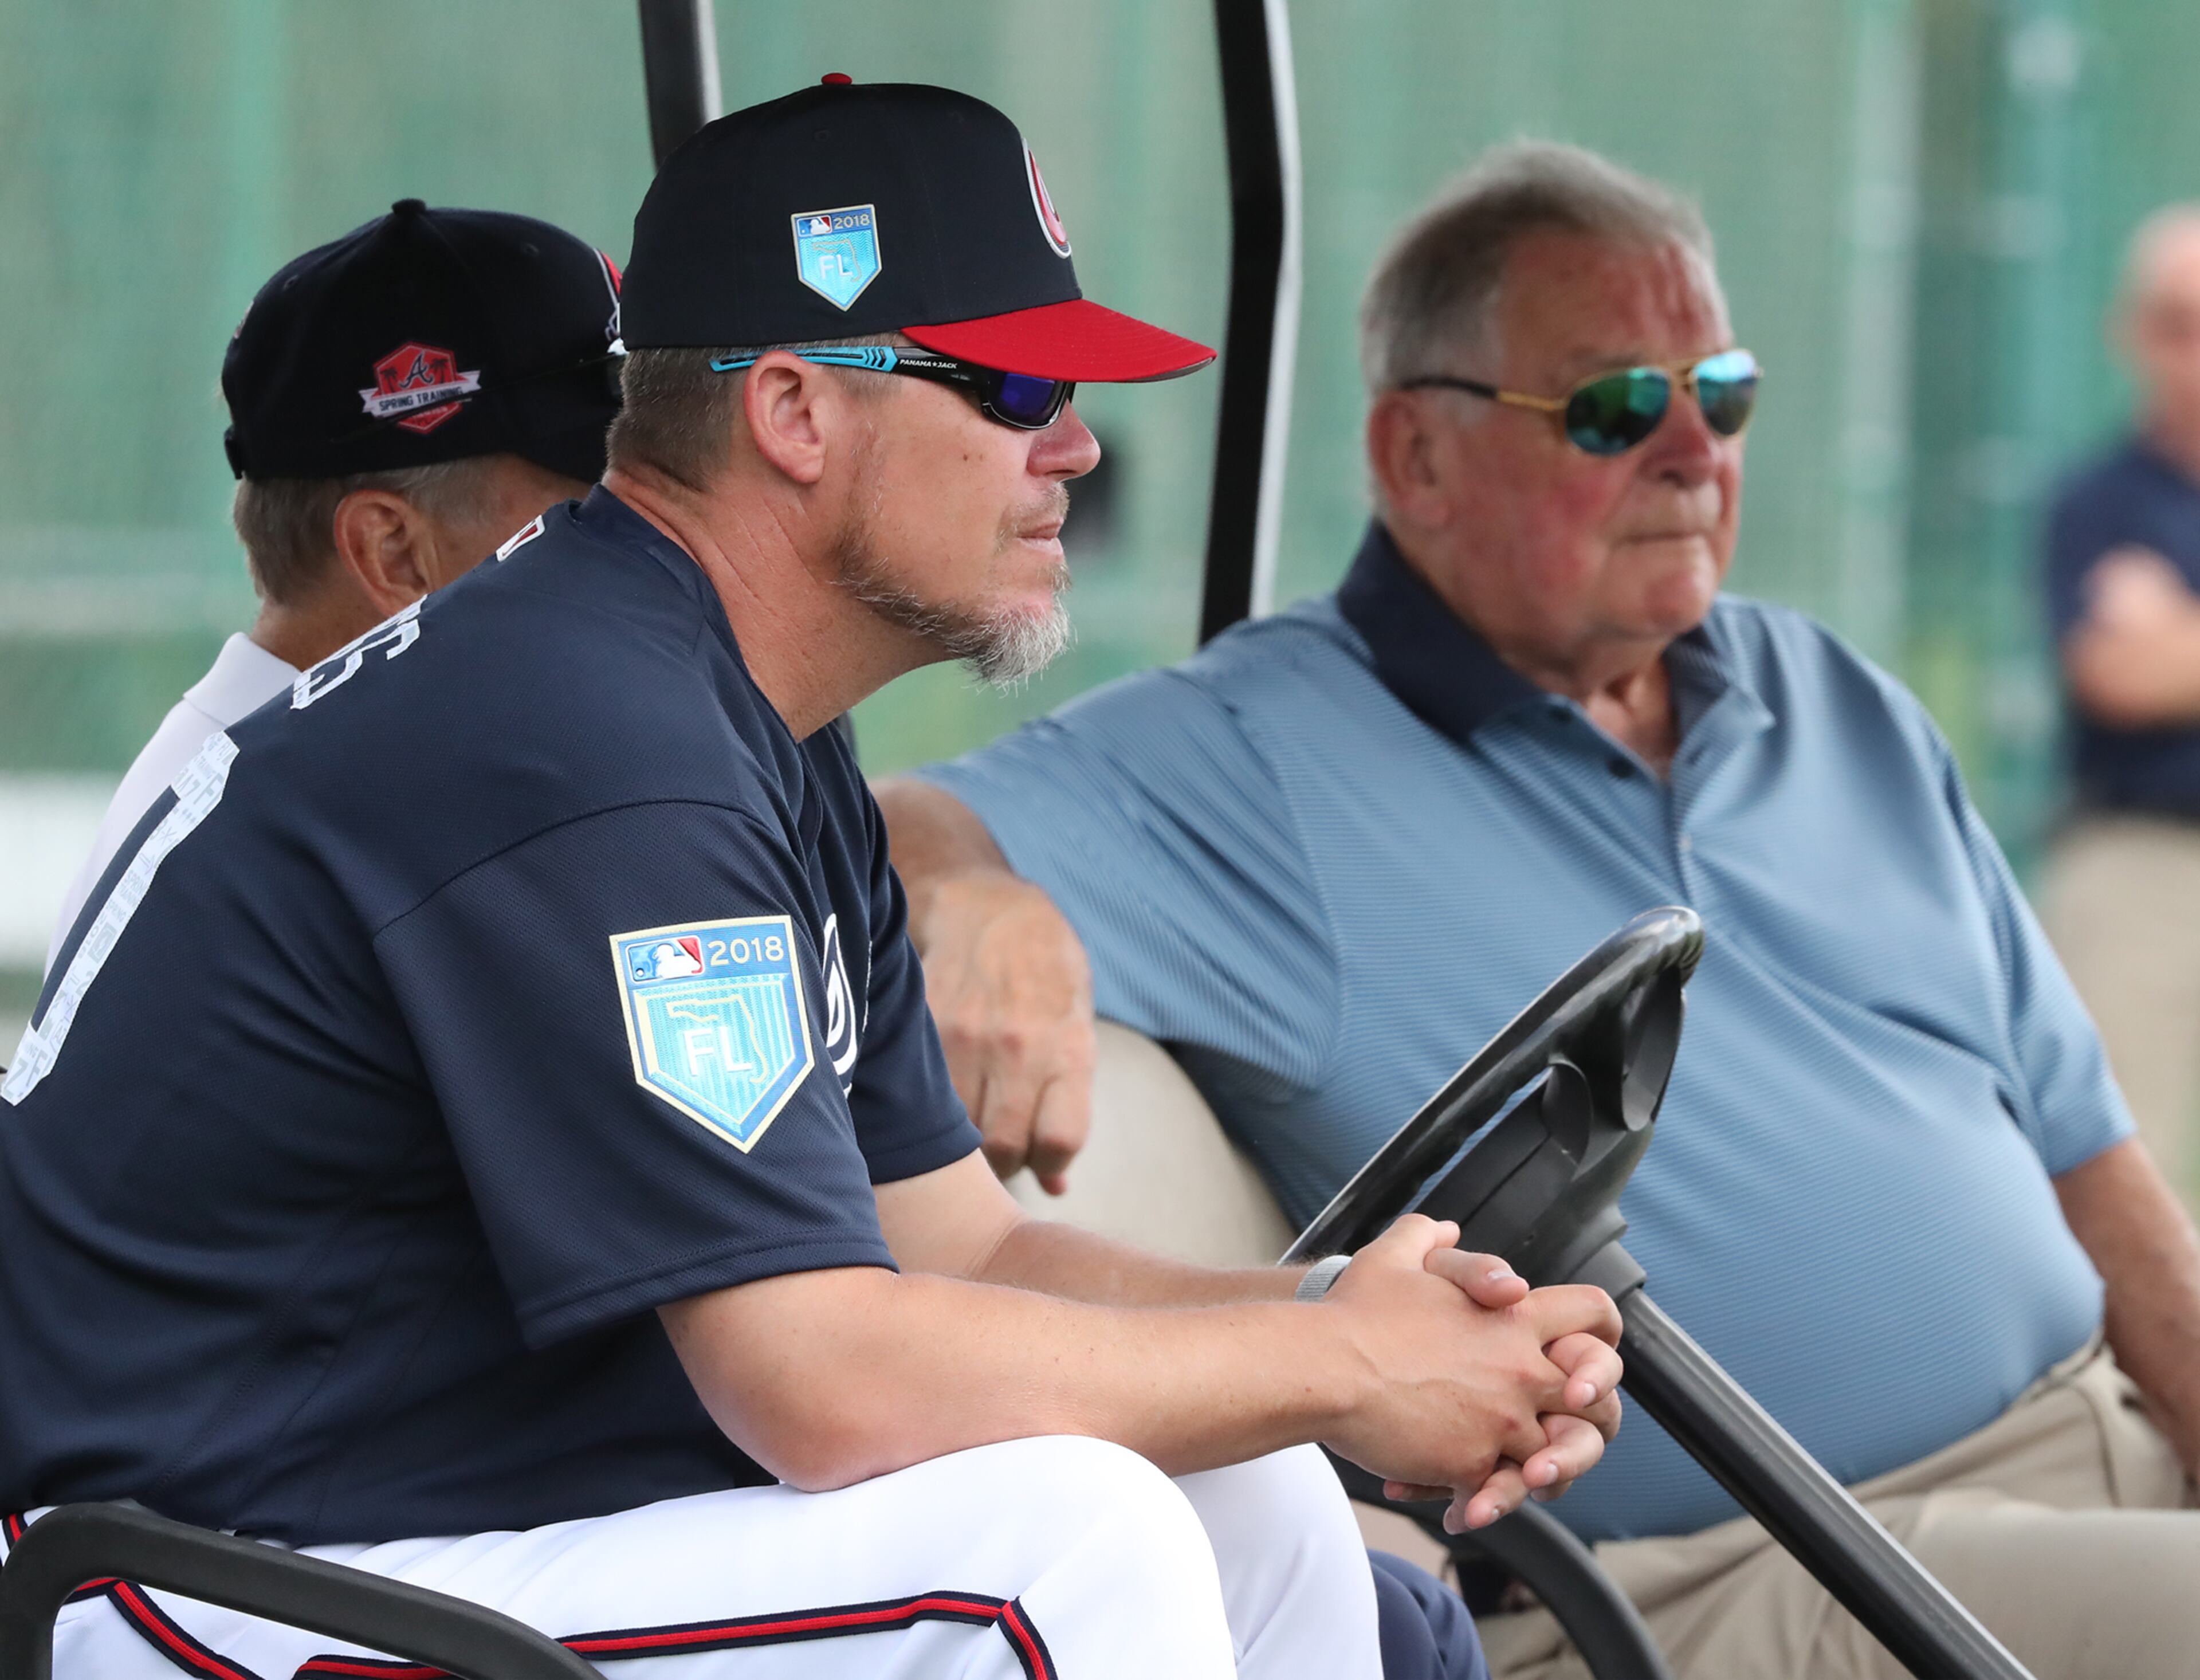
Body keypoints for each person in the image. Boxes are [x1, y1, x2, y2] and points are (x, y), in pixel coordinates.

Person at [0, 84, 1627, 1680]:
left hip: (433, 1520)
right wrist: (1332, 1357)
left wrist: (1346, 1317)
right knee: (1073, 1545)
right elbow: (820, 1380)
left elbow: (962, 1252)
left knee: (1248, 1485)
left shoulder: (737, 703)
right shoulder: (592, 728)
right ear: (793, 412)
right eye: (1010, 385)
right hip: (196, 1575)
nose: (1073, 444)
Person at [878, 142, 2200, 1679]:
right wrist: (975, 897)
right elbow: (902, 821)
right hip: (1758, 1568)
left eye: (1728, 393)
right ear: (1417, 457)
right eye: (1617, 407)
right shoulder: (1256, 757)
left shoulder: (1835, 697)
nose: (1695, 450)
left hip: (2096, 1448)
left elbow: (2099, 1179)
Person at [42, 198, 622, 972]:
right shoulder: (265, 846)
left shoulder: (344, 783)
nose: (644, 550)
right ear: (393, 554)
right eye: (593, 514)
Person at [2040, 203, 2200, 1209]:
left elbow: (2157, 666)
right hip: (2145, 865)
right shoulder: (2097, 501)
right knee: (2126, 1181)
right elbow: (2118, 677)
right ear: (2131, 334)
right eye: (2178, 322)